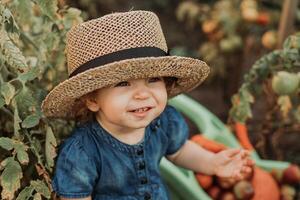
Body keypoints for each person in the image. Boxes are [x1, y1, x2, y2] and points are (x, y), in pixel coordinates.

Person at [41, 10, 254, 200]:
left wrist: (212, 163)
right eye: (123, 83)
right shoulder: (82, 152)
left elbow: (179, 152)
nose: (143, 94)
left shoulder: (164, 121)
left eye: (153, 80)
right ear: (92, 100)